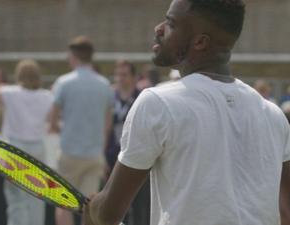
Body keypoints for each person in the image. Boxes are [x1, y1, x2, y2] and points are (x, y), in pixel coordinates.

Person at [84, 1, 290, 225]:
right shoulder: (274, 115)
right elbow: (286, 212)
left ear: (200, 42)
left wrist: (93, 209)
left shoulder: (157, 103)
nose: (159, 28)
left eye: (171, 23)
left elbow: (108, 214)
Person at [0, 59, 53, 225]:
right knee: (38, 195)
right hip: (37, 147)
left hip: (14, 148)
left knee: (16, 198)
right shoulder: (47, 96)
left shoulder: (9, 92)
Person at [49, 36, 113, 225]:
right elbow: (107, 124)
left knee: (62, 204)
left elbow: (52, 119)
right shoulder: (104, 84)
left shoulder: (64, 82)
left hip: (69, 152)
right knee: (90, 207)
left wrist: (61, 129)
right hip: (94, 154)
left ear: (73, 56)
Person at [105, 60, 149, 225]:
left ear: (133, 77)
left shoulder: (142, 97)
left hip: (137, 158)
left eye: (124, 75)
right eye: (118, 75)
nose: (120, 78)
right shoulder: (110, 97)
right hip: (112, 156)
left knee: (139, 204)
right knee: (114, 204)